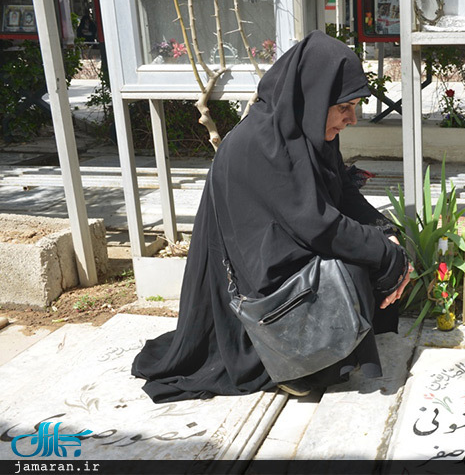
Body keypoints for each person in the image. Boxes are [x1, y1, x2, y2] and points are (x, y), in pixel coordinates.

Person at [131, 31, 413, 402]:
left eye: (354, 106)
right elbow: (320, 225)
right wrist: (384, 254)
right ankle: (294, 366)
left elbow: (341, 192)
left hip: (286, 255)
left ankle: (329, 354)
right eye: (345, 107)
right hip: (258, 287)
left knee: (376, 249)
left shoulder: (306, 129)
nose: (352, 119)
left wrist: (388, 235)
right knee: (355, 270)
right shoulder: (261, 144)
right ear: (314, 95)